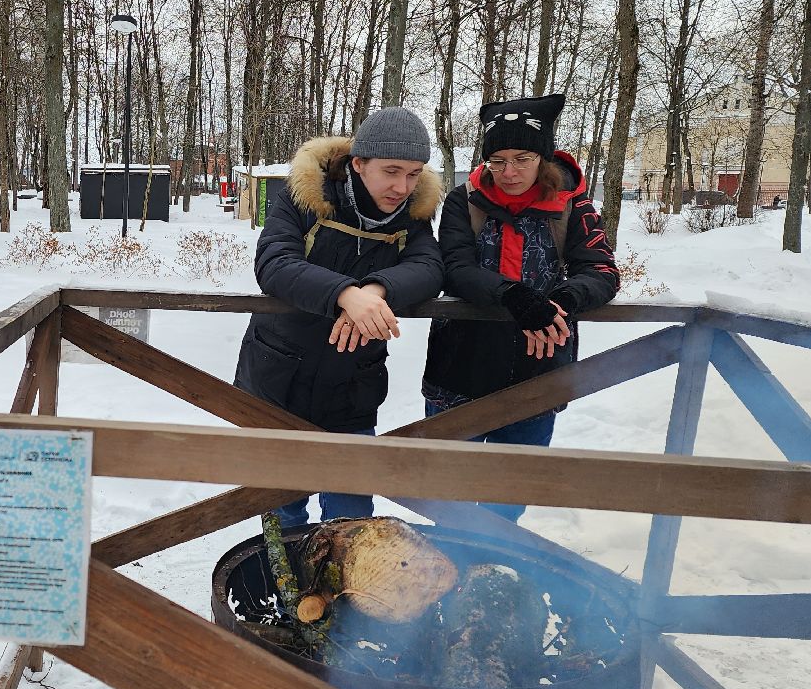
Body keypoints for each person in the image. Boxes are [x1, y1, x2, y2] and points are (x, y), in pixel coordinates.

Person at [234, 107, 445, 526]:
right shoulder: (304, 197)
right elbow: (274, 263)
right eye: (391, 171)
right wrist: (344, 294)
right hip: (279, 378)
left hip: (353, 386)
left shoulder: (413, 219)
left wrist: (376, 289)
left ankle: (344, 595)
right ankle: (287, 591)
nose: (402, 186)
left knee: (351, 518)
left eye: (414, 173)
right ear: (358, 164)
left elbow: (430, 269)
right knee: (282, 509)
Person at [421, 93, 619, 520]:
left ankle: (494, 573)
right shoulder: (464, 201)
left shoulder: (572, 205)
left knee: (509, 497)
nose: (508, 172)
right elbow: (454, 267)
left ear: (543, 157)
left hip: (538, 372)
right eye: (497, 160)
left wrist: (562, 300)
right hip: (459, 369)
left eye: (522, 158)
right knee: (446, 492)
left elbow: (601, 270)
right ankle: (446, 575)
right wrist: (513, 296)